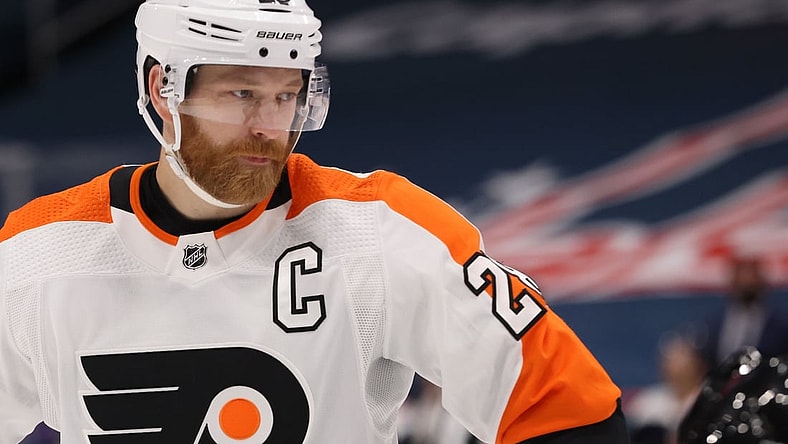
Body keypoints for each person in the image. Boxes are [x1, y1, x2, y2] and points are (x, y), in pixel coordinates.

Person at [0, 0, 629, 442]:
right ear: (162, 87)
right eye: (242, 94)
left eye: (286, 95)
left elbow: (568, 411)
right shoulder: (36, 255)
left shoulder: (380, 232)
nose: (270, 126)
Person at [699, 254, 788, 369]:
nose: (747, 281)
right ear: (732, 280)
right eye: (742, 274)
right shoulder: (714, 324)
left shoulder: (779, 326)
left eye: (752, 274)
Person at [625, 329, 708, 444]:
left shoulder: (708, 400)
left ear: (697, 363)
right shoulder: (649, 401)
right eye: (669, 360)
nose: (674, 367)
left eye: (681, 358)